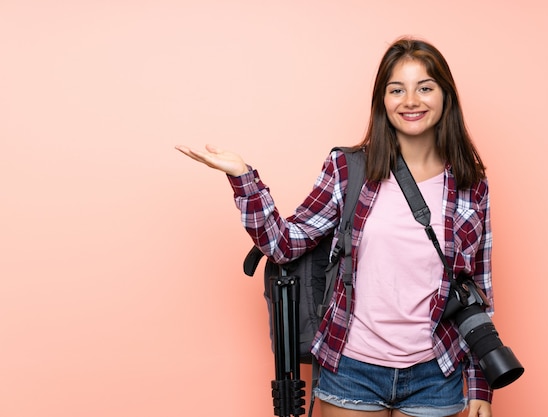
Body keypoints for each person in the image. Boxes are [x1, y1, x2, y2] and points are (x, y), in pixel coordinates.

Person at [176, 37, 494, 417]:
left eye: (425, 88)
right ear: (382, 100)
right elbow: (284, 245)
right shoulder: (349, 169)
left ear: (445, 97)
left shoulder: (471, 185)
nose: (411, 100)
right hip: (351, 370)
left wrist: (480, 386)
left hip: (436, 373)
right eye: (397, 89)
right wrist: (244, 178)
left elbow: (478, 288)